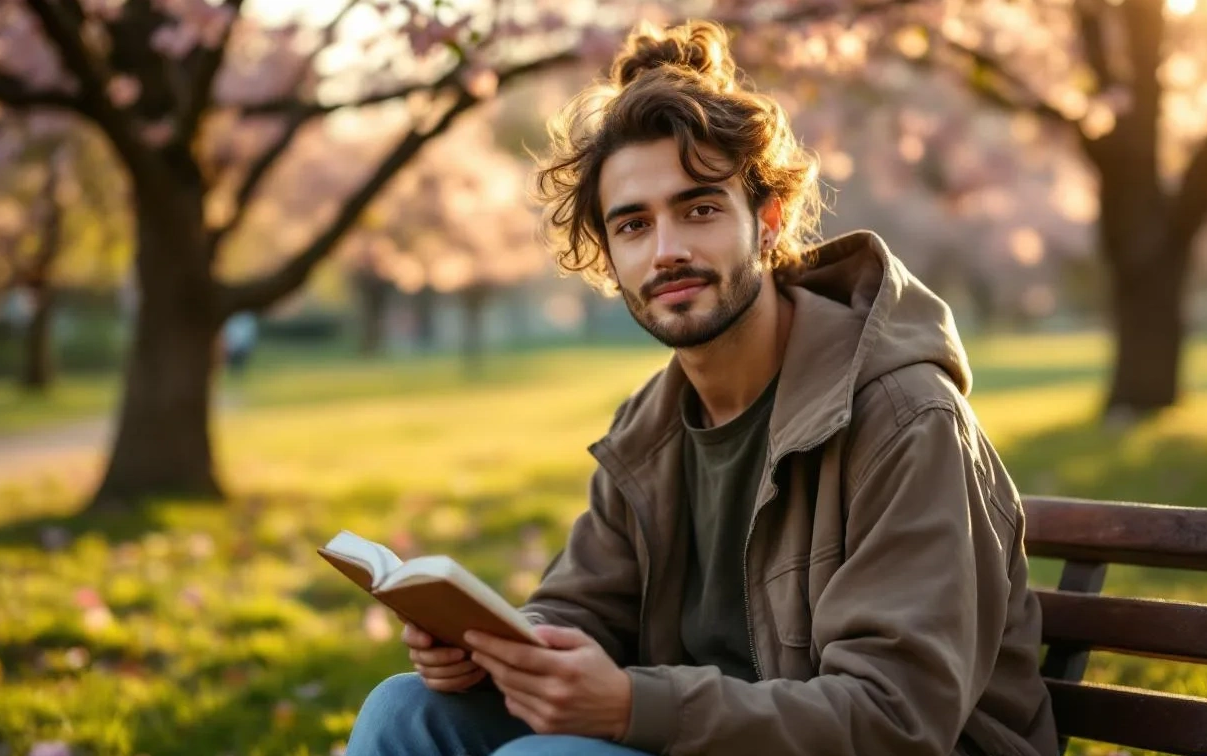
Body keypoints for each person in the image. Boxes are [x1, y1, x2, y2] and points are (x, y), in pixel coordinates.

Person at [345, 18, 1057, 756]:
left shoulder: (905, 418)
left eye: (700, 209)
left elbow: (894, 719)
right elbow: (583, 607)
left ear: (769, 222)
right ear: (608, 255)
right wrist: (495, 651)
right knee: (407, 712)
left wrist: (631, 706)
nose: (668, 251)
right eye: (633, 226)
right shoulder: (650, 428)